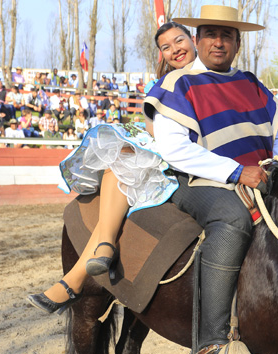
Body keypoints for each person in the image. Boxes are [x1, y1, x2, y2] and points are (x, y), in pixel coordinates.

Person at [144, 6, 278, 354]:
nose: (218, 42)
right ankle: (212, 346)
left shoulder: (253, 84)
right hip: (197, 180)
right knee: (232, 217)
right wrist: (237, 172)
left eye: (227, 35)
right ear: (198, 40)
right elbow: (174, 149)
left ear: (238, 43)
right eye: (210, 34)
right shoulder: (179, 84)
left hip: (259, 176)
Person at [27, 22, 198, 321]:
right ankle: (101, 247)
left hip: (191, 157)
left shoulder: (208, 74)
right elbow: (153, 129)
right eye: (166, 47)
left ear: (193, 40)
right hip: (168, 151)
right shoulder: (163, 83)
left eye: (179, 41)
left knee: (123, 160)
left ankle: (77, 275)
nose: (174, 50)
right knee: (120, 157)